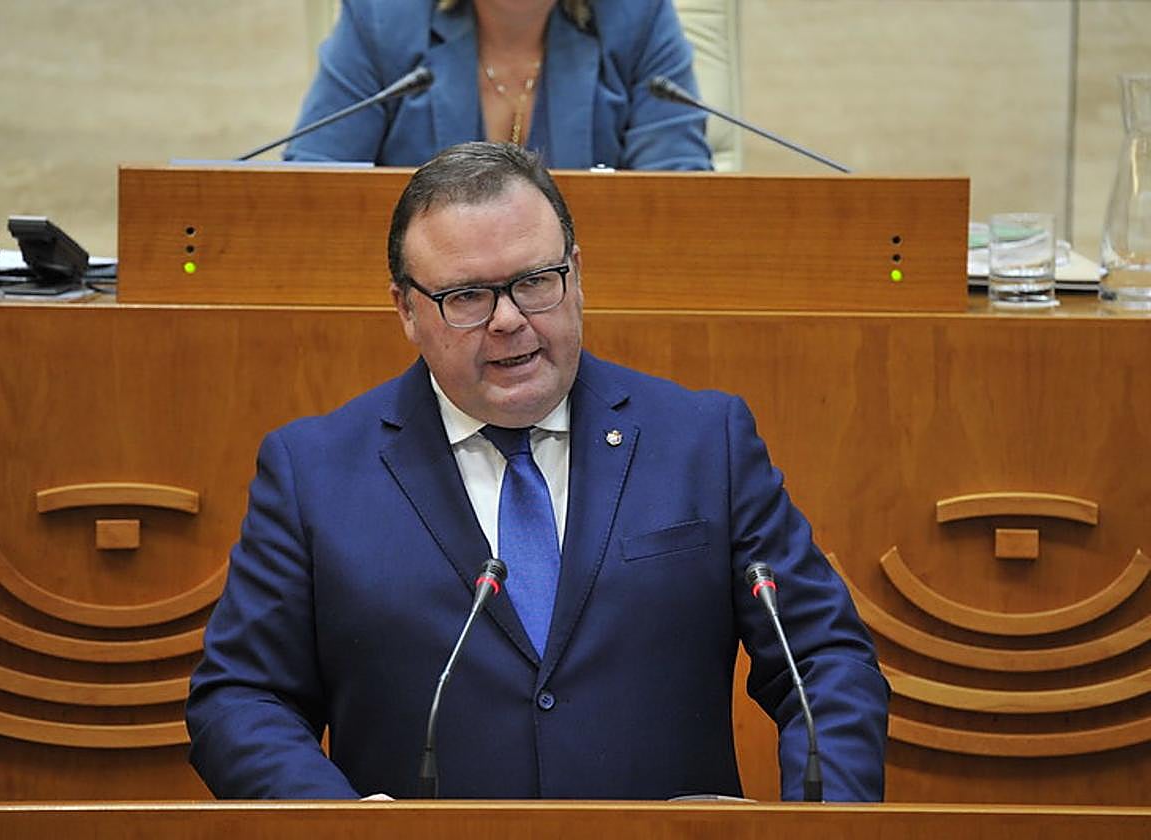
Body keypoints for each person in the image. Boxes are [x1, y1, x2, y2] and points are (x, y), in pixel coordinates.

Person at [186, 142, 889, 801]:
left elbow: (824, 660)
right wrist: (338, 828)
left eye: (534, 282)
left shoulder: (705, 442)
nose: (509, 320)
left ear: (576, 275)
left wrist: (821, 821)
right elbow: (242, 697)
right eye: (467, 297)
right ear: (405, 308)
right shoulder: (313, 473)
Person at [282, 0, 712, 170]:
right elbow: (313, 183)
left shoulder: (637, 16)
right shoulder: (382, 17)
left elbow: (676, 194)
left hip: (591, 307)